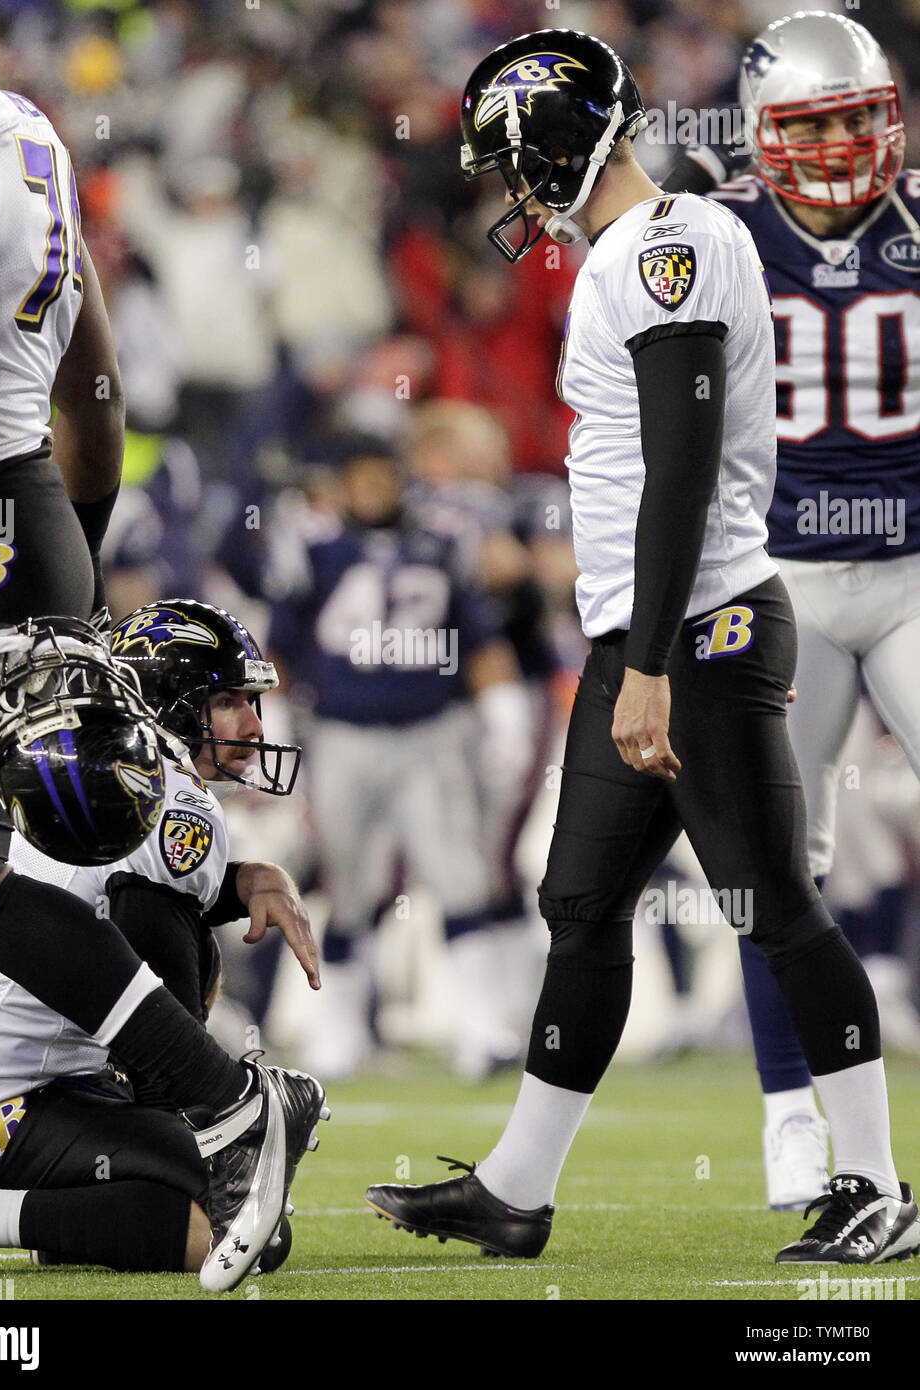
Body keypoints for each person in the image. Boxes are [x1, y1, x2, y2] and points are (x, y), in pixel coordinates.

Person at [364, 27, 919, 1266]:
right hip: (655, 632)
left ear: (557, 150)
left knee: (775, 904)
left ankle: (877, 1184)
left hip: (698, 634)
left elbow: (680, 473)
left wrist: (655, 663)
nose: (509, 197)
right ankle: (515, 1187)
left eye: (514, 167)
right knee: (581, 905)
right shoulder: (649, 245)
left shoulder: (663, 251)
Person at [0, 1, 323, 1294]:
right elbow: (94, 381)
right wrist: (61, 555)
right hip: (25, 508)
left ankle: (220, 1095)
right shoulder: (25, 127)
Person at [661, 10, 920, 1211]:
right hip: (782, 579)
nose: (843, 148)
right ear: (764, 134)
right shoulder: (716, 234)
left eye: (861, 120)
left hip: (916, 570)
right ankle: (788, 1119)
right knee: (776, 864)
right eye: (814, 126)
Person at [0, 601, 318, 1278]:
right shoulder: (176, 801)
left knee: (225, 1201)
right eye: (230, 699)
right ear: (168, 702)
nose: (253, 725)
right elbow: (151, 939)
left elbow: (104, 894)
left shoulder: (88, 771)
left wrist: (242, 881)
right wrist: (189, 1116)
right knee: (236, 1227)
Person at [265, 435, 531, 1081]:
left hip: (429, 733)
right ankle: (338, 1030)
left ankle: (481, 1029)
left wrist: (505, 716)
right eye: (361, 476)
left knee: (458, 877)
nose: (373, 489)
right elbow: (277, 644)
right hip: (343, 735)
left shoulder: (443, 542)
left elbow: (480, 639)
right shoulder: (315, 545)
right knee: (347, 887)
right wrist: (270, 720)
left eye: (383, 474)